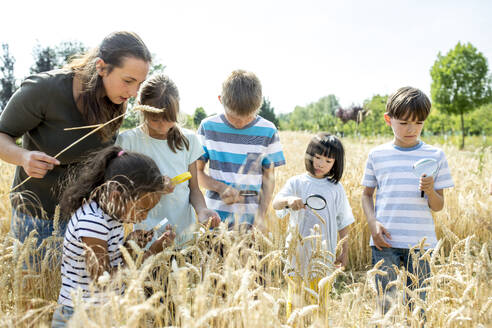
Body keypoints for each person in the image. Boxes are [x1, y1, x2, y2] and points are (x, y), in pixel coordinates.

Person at [0, 31, 151, 260]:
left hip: (86, 218)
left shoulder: (117, 100)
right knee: (35, 291)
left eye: (139, 84)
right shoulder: (44, 90)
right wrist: (23, 157)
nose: (133, 93)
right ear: (101, 67)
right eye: (128, 81)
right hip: (36, 217)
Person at [51, 146, 175, 327]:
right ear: (116, 197)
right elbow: (104, 280)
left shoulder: (110, 214)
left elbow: (112, 262)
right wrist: (149, 254)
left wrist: (131, 245)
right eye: (141, 209)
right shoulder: (93, 222)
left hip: (103, 312)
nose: (144, 217)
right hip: (81, 316)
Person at [361, 86, 454, 314]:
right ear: (388, 120)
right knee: (386, 306)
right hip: (385, 241)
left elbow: (438, 206)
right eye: (403, 123)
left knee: (418, 308)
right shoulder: (377, 155)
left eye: (418, 123)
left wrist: (431, 191)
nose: (411, 129)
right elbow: (365, 194)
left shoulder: (435, 155)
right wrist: (373, 224)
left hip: (421, 245)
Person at [116, 74, 220, 246]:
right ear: (141, 108)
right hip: (146, 241)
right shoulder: (128, 142)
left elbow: (194, 189)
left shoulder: (188, 141)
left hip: (184, 239)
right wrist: (153, 188)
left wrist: (201, 210)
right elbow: (121, 191)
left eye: (169, 118)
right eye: (155, 118)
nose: (162, 125)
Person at [272, 133, 354, 317]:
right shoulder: (296, 182)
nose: (321, 164)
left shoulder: (335, 188)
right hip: (297, 254)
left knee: (320, 300)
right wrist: (289, 200)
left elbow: (344, 221)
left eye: (328, 160)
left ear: (336, 163)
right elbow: (276, 204)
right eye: (317, 157)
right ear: (310, 155)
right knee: (296, 298)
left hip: (324, 255)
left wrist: (345, 251)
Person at [197, 70, 285, 231]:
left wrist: (260, 216)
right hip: (215, 221)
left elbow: (269, 178)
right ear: (220, 100)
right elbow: (197, 174)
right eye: (235, 117)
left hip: (250, 224)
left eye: (248, 117)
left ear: (259, 104)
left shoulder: (268, 130)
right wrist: (220, 188)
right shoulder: (208, 127)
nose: (241, 123)